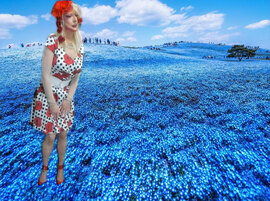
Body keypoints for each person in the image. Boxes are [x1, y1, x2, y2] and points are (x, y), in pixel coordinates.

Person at [29, 0, 84, 186]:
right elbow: (45, 74)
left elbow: (76, 77)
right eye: (69, 16)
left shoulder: (79, 47)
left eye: (76, 16)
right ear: (61, 20)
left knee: (63, 134)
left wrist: (68, 99)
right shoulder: (53, 41)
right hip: (47, 94)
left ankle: (60, 166)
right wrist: (52, 102)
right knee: (50, 135)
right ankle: (45, 167)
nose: (74, 20)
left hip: (66, 97)